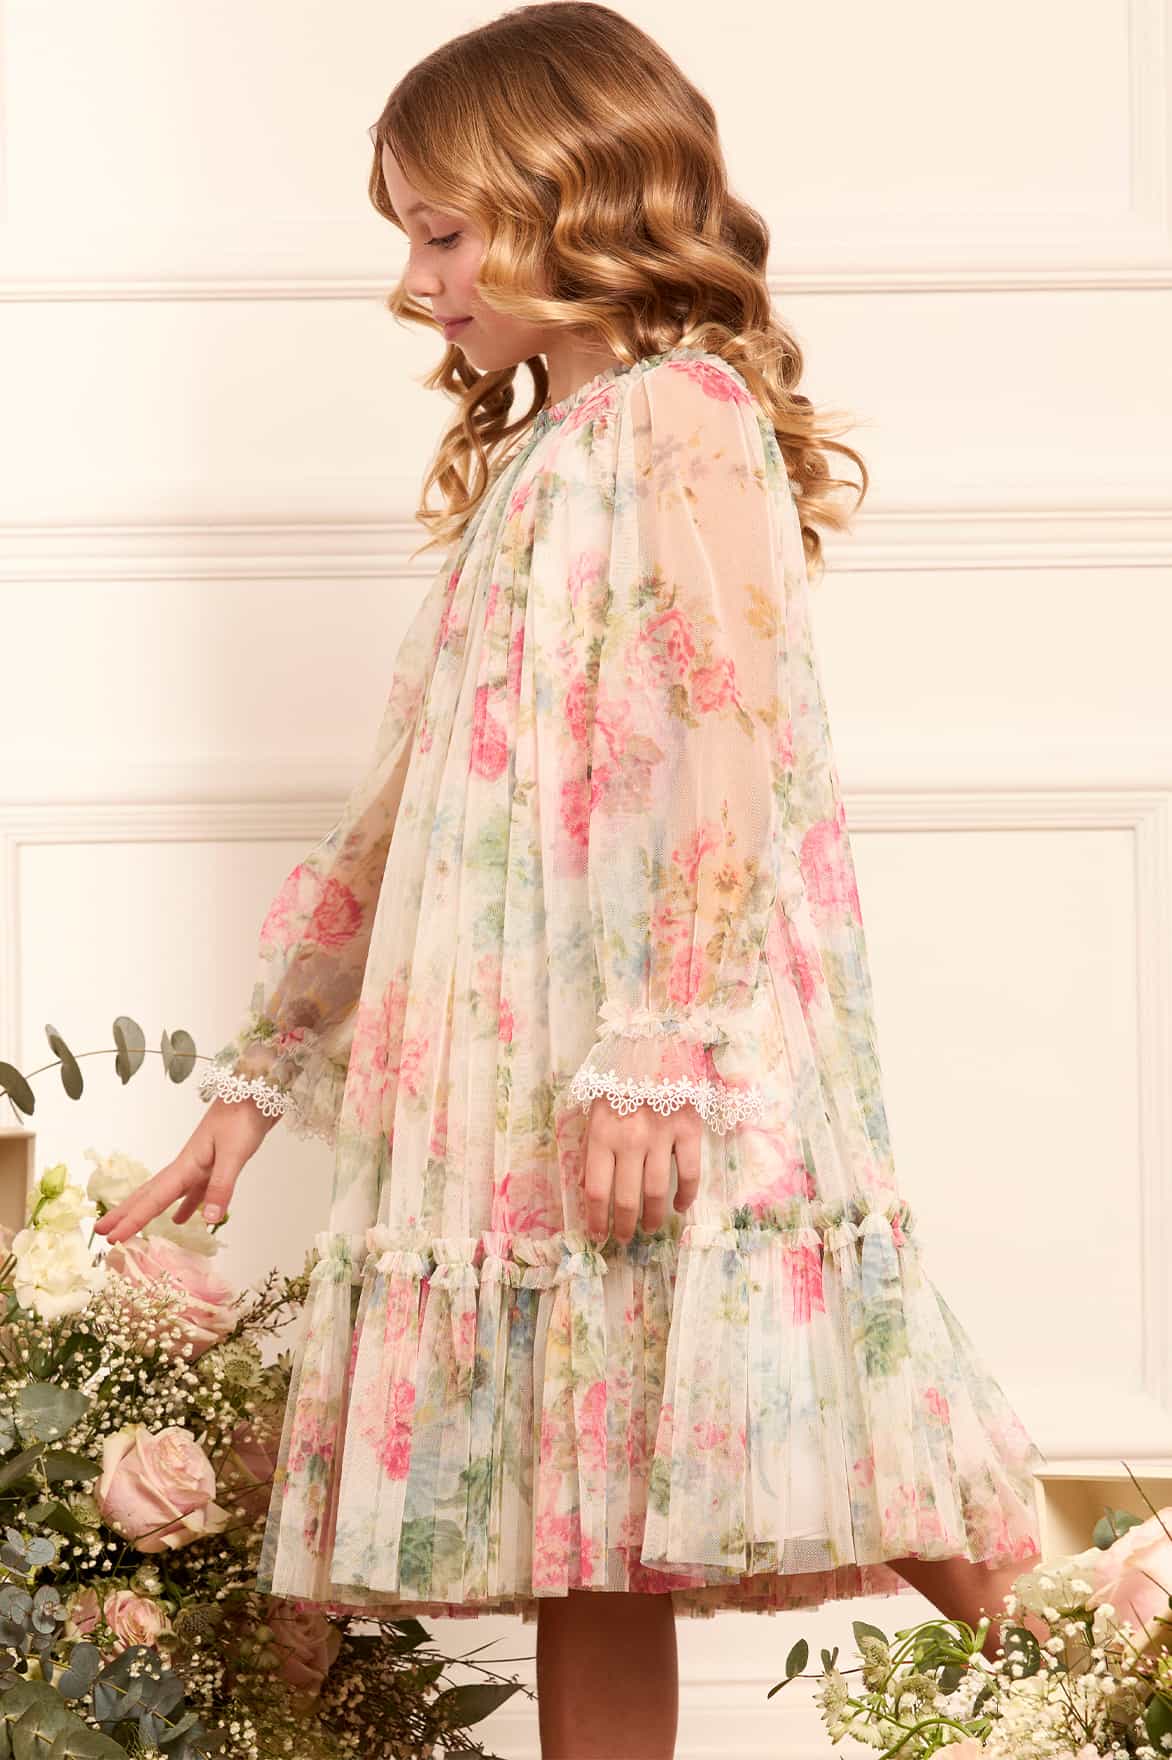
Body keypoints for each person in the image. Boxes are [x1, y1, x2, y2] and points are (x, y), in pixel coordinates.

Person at [94, 6, 1049, 1755]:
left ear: (574, 197)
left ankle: (1115, 1677)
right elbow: (407, 804)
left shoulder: (684, 419)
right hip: (527, 1057)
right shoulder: (540, 458)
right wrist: (258, 1076)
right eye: (408, 237)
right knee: (586, 1523)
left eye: (444, 233)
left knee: (868, 1411)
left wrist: (663, 1040)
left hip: (665, 1053)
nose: (415, 283)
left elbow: (730, 730)